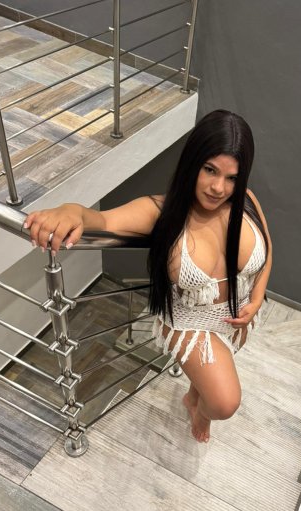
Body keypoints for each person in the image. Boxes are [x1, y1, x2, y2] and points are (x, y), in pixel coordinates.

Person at [24, 110, 272, 443]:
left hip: (237, 318)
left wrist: (256, 299)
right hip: (190, 324)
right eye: (210, 170)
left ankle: (195, 394)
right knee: (224, 403)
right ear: (192, 163)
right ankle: (198, 409)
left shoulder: (246, 201)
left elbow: (268, 250)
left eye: (232, 178)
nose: (218, 187)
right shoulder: (159, 212)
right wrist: (70, 211)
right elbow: (102, 220)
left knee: (209, 380)